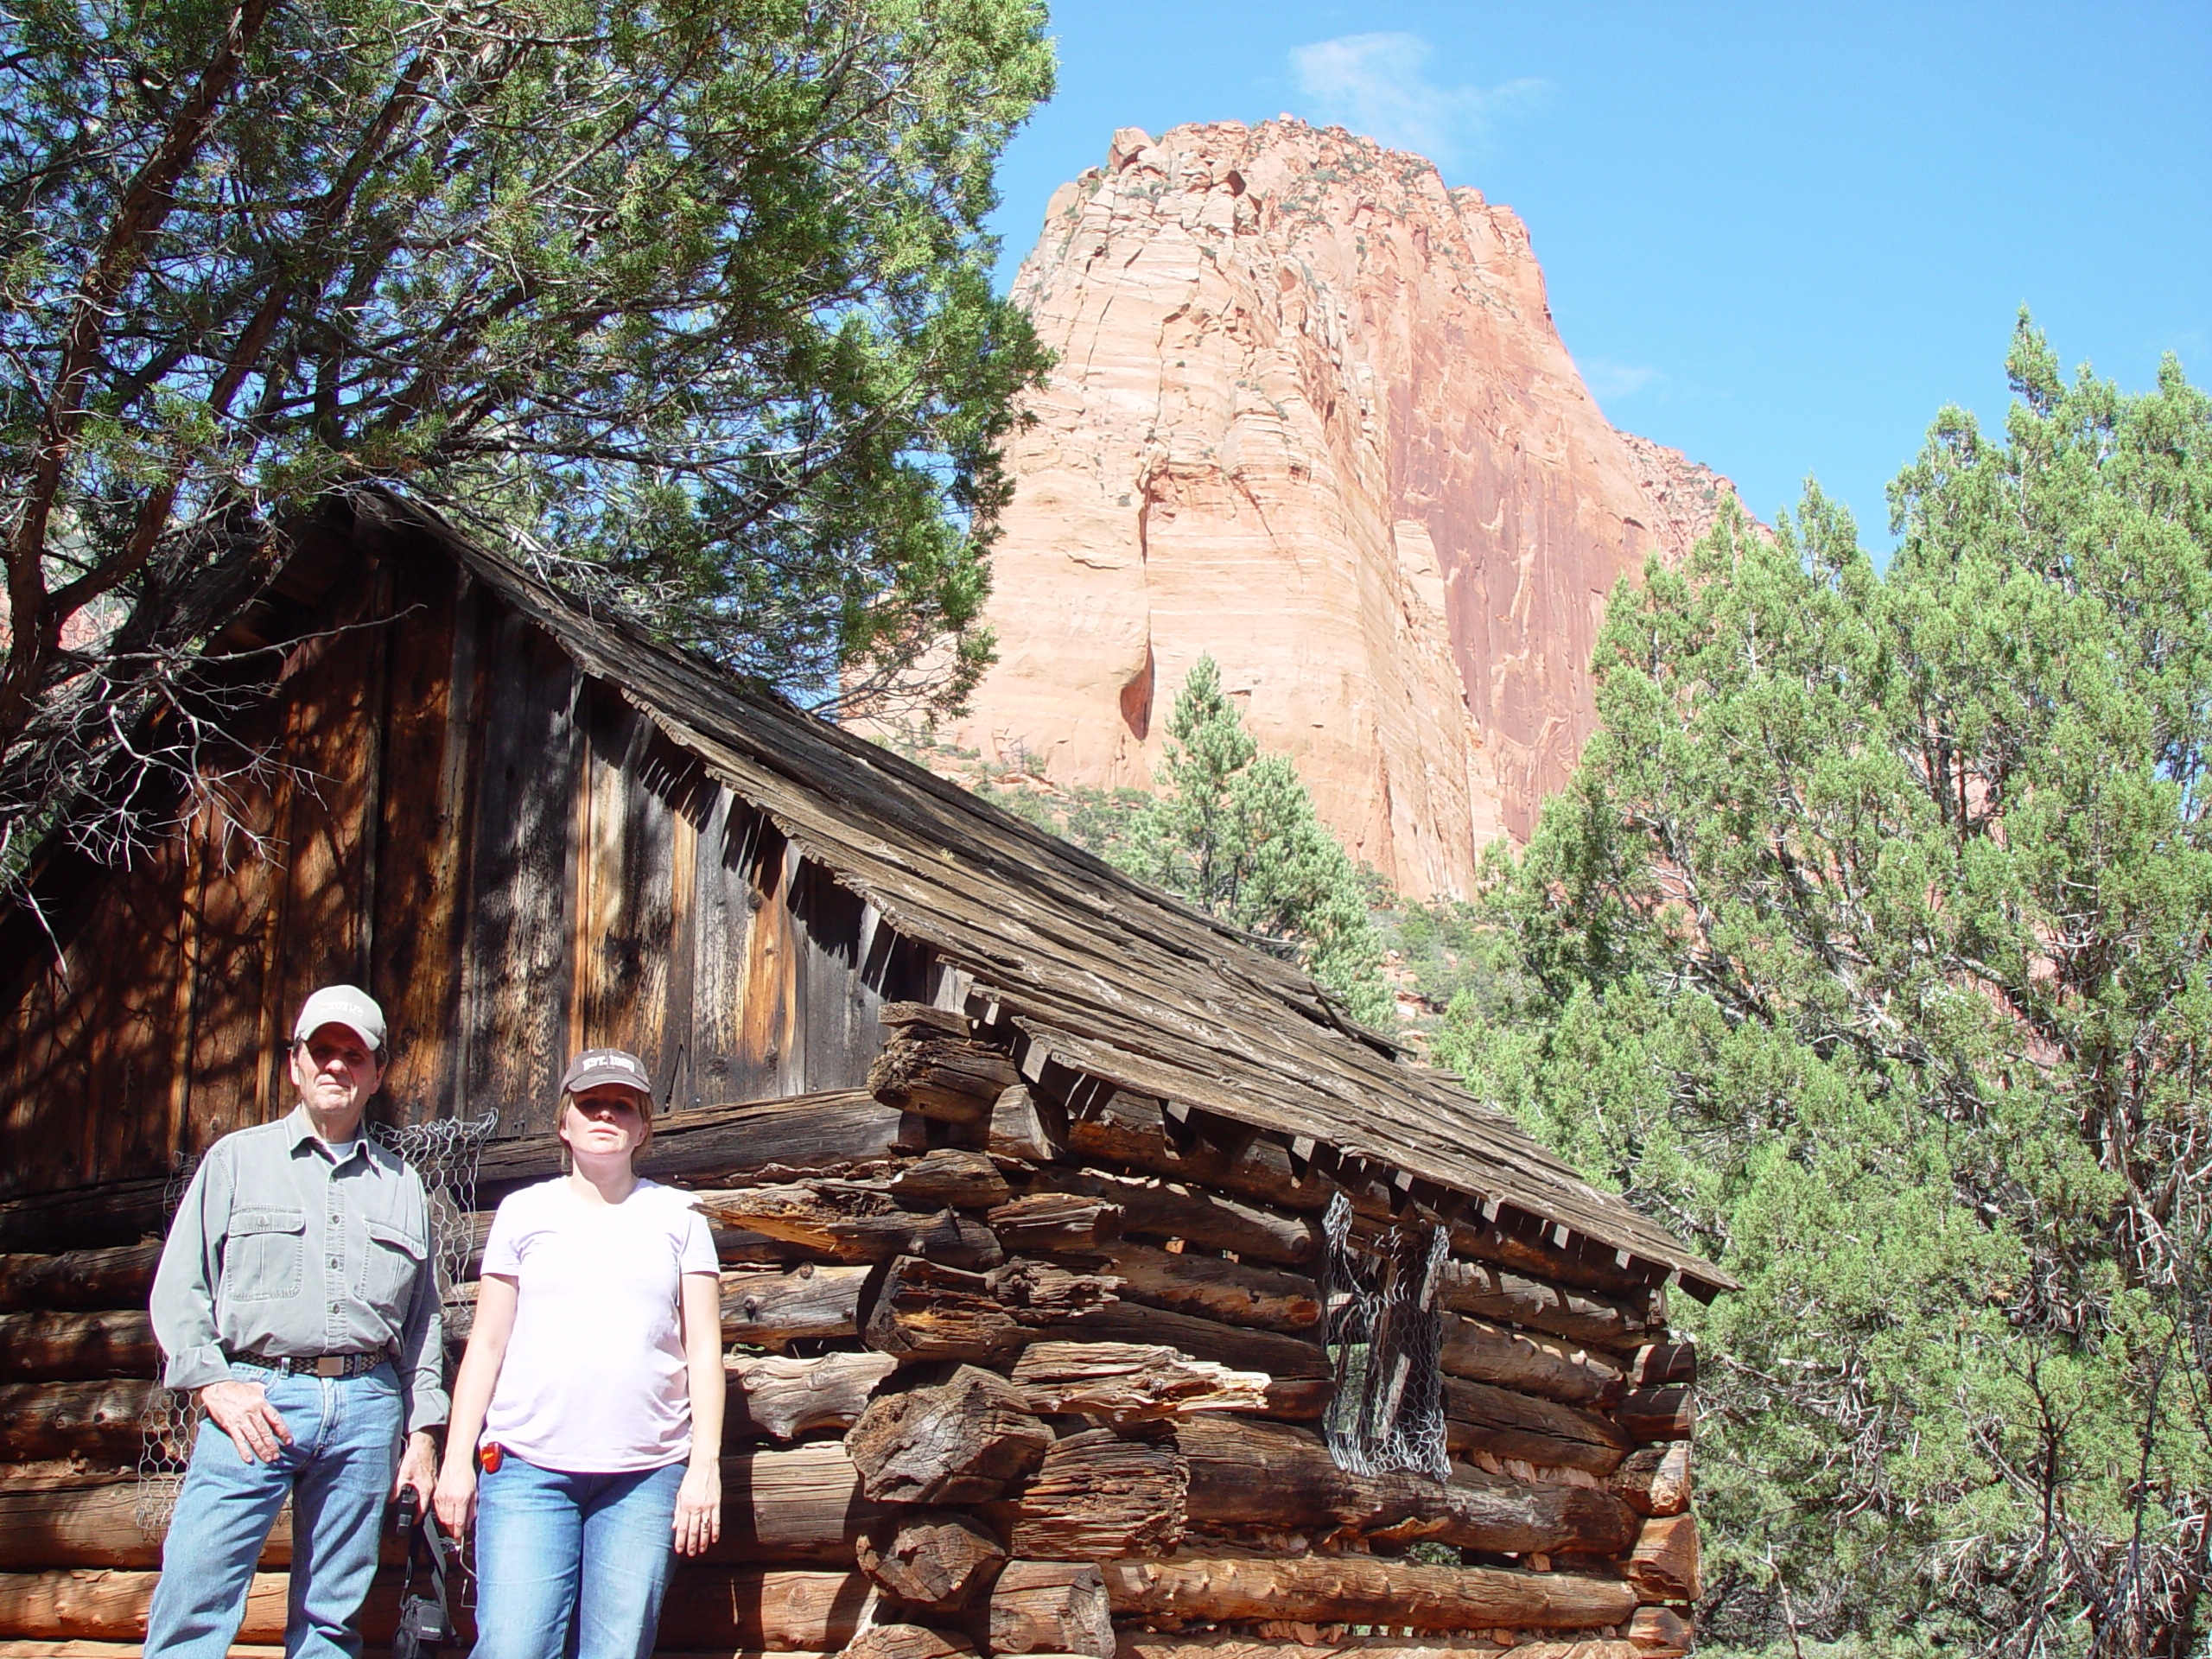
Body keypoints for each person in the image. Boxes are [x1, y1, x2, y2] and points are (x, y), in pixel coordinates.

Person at [146, 984, 446, 1659]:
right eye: (322, 1050)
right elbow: (180, 1287)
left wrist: (421, 1433)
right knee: (196, 1595)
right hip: (254, 1400)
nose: (337, 1065)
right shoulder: (236, 1160)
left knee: (332, 1621)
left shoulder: (403, 1185)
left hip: (368, 1408)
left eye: (354, 1054)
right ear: (295, 1064)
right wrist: (211, 1384)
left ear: (376, 1073)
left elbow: (423, 1321)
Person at [433, 1048, 723, 1659]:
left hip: (645, 1474)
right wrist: (457, 1458)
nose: (606, 1116)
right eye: (591, 1103)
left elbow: (703, 1349)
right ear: (564, 1122)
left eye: (623, 1106)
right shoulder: (523, 1213)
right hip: (526, 1468)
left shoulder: (680, 1216)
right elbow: (485, 1345)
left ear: (643, 1126)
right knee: (514, 1645)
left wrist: (704, 1467)